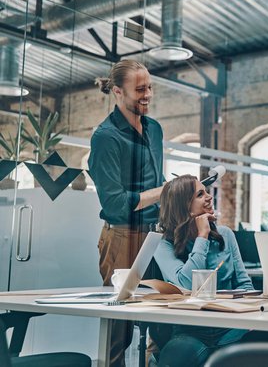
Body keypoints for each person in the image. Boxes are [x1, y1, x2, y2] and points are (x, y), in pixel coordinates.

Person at [88, 59, 165, 367]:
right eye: (140, 89)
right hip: (121, 235)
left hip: (155, 236)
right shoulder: (105, 137)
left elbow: (153, 182)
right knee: (118, 332)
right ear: (118, 92)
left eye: (149, 87)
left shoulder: (155, 129)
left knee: (163, 319)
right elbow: (115, 203)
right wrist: (164, 192)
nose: (147, 94)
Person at [154, 175, 254, 366]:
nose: (209, 197)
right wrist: (202, 236)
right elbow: (186, 284)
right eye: (200, 194)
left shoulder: (225, 234)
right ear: (183, 205)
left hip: (229, 327)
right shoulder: (163, 244)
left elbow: (244, 284)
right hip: (190, 331)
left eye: (206, 192)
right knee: (174, 357)